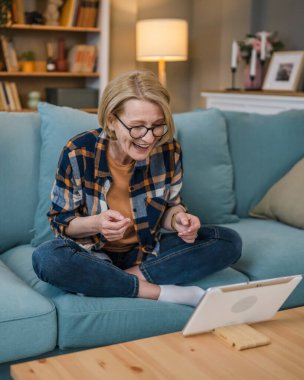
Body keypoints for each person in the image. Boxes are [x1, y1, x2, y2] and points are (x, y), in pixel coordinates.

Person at [32, 70, 242, 307]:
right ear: (112, 120)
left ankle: (111, 281)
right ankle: (161, 292)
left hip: (146, 253)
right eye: (137, 127)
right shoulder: (78, 151)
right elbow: (61, 222)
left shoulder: (168, 150)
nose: (148, 138)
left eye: (157, 126)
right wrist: (97, 223)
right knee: (48, 258)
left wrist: (179, 220)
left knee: (227, 241)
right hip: (92, 254)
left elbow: (169, 207)